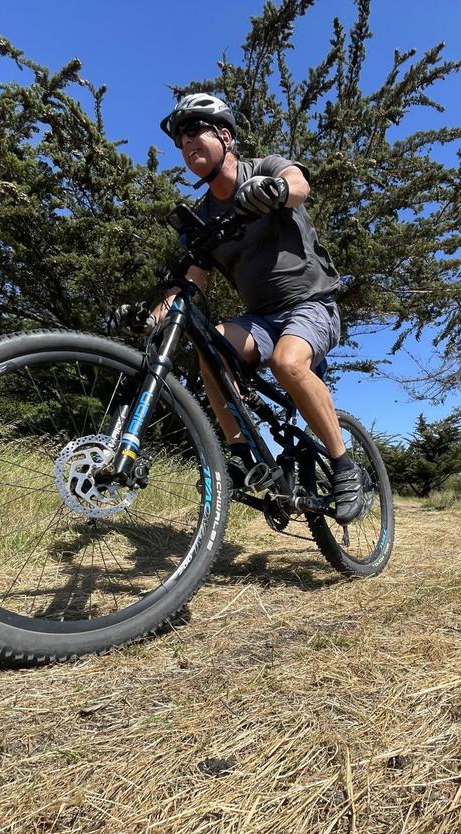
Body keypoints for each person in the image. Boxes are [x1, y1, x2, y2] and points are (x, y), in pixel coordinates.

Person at [153, 93, 364, 524]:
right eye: (180, 138)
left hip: (311, 304)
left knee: (289, 362)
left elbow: (300, 185)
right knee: (207, 348)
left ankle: (345, 467)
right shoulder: (202, 217)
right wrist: (156, 313)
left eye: (194, 129)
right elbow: (193, 280)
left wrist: (277, 190)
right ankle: (243, 458)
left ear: (225, 135)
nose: (185, 141)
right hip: (260, 320)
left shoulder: (264, 168)